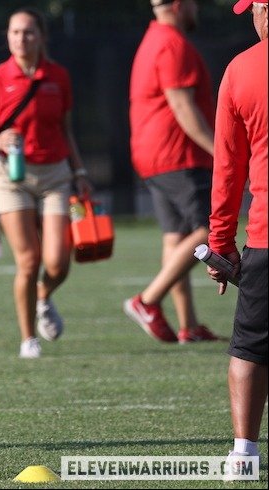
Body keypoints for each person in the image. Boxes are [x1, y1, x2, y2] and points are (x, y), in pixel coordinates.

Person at [0, 7, 93, 359]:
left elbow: (66, 131)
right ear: (8, 37)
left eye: (29, 32)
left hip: (55, 174)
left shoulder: (58, 76)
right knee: (29, 259)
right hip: (11, 176)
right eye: (15, 32)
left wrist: (80, 173)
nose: (21, 38)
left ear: (42, 36)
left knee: (58, 263)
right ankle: (28, 339)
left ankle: (43, 296)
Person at [123, 0, 219, 344]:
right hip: (177, 154)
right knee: (209, 229)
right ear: (179, 4)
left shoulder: (153, 39)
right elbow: (182, 106)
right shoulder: (172, 44)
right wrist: (220, 150)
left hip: (154, 155)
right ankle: (147, 301)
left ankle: (189, 326)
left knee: (176, 239)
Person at [206, 0, 267, 475]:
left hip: (266, 238)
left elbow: (229, 167)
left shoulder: (241, 70)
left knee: (249, 347)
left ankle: (243, 453)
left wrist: (221, 241)